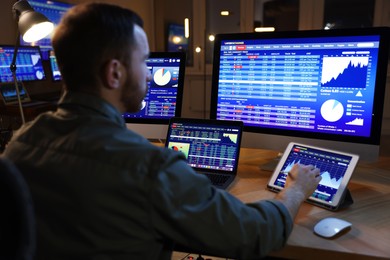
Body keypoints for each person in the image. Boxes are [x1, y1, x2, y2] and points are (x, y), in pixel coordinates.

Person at [2, 2, 321, 259]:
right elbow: (254, 234)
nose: (149, 74)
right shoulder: (149, 169)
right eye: (144, 61)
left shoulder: (20, 144)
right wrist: (294, 189)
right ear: (114, 73)